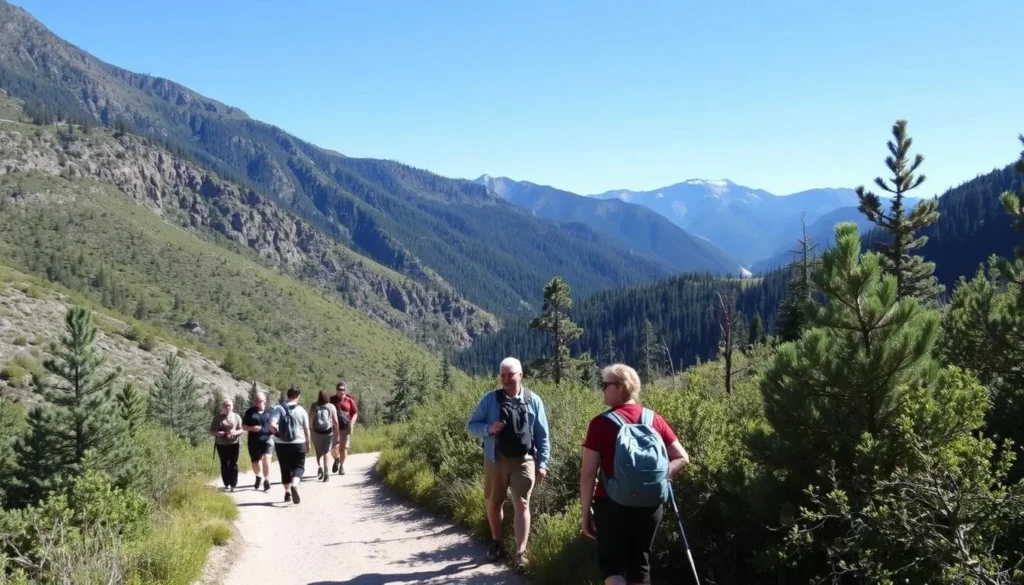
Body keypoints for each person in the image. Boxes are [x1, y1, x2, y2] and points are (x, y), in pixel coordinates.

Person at [580, 364, 690, 585]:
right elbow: (682, 458)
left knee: (613, 567)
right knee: (640, 565)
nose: (602, 390)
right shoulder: (654, 419)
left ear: (620, 387)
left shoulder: (600, 423)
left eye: (605, 385)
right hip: (650, 505)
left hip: (611, 504)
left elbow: (589, 472)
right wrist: (660, 477)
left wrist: (585, 513)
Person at [466, 357, 550, 573]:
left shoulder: (533, 400)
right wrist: (488, 429)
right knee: (494, 502)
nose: (506, 379)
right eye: (502, 375)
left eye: (510, 374)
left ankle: (521, 553)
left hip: (525, 460)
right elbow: (471, 425)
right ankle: (496, 541)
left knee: (522, 504)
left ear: (520, 375)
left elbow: (542, 434)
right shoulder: (490, 399)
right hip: (495, 459)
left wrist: (543, 463)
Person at [269, 386, 312, 504]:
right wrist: (308, 444)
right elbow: (307, 429)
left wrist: (278, 434)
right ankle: (294, 484)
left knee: (285, 468)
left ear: (287, 396)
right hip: (298, 443)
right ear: (298, 396)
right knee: (299, 466)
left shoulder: (278, 408)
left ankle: (287, 492)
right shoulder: (301, 410)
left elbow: (271, 425)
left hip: (281, 444)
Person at [241, 391, 273, 491]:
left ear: (265, 401)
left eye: (260, 401)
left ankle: (267, 480)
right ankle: (258, 476)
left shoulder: (270, 411)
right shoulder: (250, 412)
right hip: (254, 441)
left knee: (266, 458)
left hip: (267, 438)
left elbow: (276, 423)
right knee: (255, 462)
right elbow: (243, 426)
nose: (258, 403)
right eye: (257, 401)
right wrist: (252, 428)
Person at [209, 397, 243, 492]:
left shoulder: (236, 416)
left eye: (229, 406)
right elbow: (212, 431)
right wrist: (219, 433)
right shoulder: (217, 417)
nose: (227, 408)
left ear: (232, 406)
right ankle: (226, 483)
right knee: (224, 464)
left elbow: (241, 429)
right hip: (222, 444)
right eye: (225, 406)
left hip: (234, 443)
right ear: (222, 407)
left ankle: (233, 484)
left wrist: (235, 432)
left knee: (234, 463)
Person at [309, 390, 340, 482]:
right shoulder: (331, 406)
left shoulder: (314, 406)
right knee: (326, 451)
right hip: (328, 432)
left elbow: (310, 420)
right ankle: (326, 472)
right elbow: (335, 422)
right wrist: (337, 433)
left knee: (319, 453)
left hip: (316, 432)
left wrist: (310, 430)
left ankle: (320, 468)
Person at [328, 381, 358, 475]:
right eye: (340, 390)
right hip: (334, 428)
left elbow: (355, 412)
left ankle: (341, 466)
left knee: (343, 448)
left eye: (343, 390)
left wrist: (352, 423)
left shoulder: (349, 401)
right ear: (336, 390)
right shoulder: (331, 400)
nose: (341, 392)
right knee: (333, 448)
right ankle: (336, 459)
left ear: (345, 390)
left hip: (346, 427)